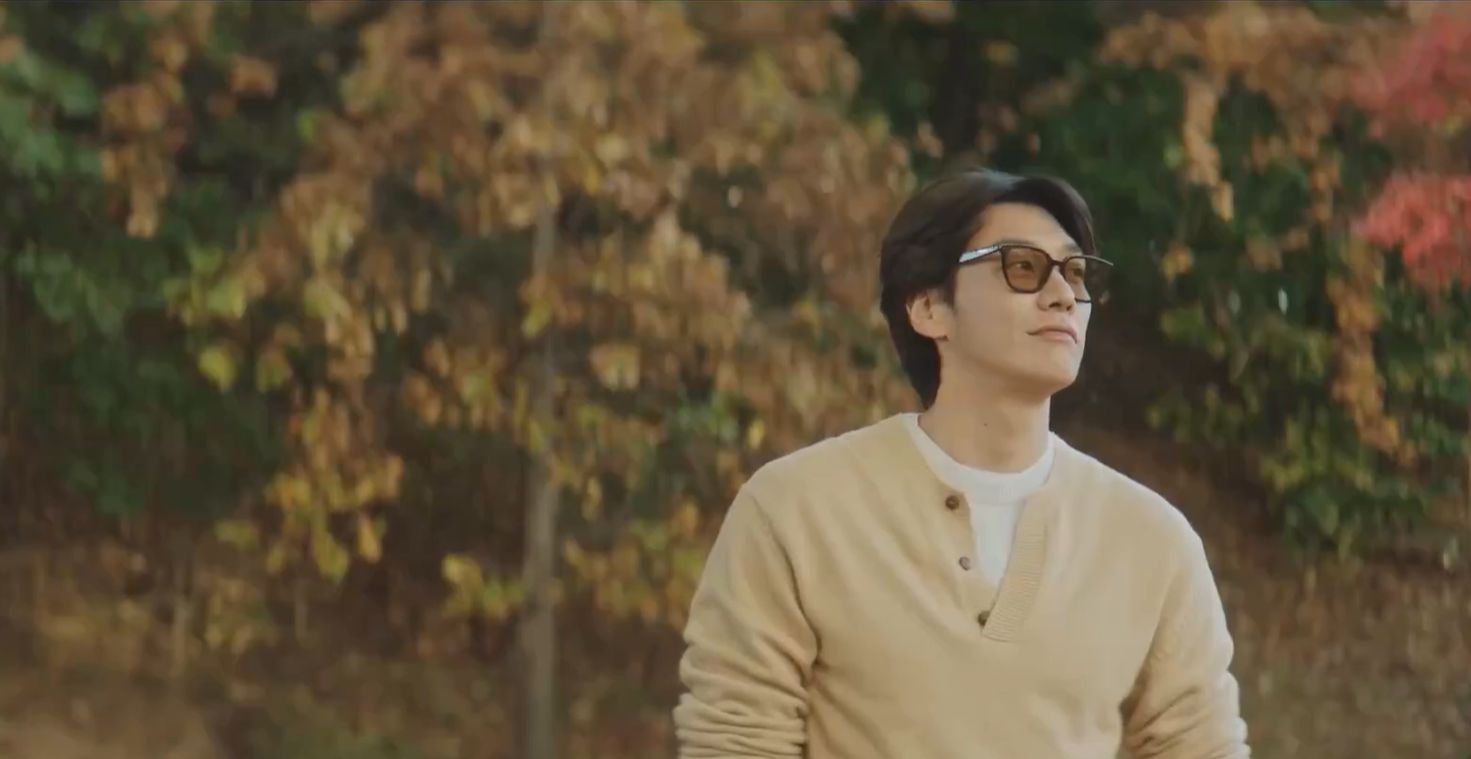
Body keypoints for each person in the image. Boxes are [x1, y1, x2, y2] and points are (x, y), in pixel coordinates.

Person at [672, 168, 1250, 758]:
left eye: (1075, 273)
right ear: (929, 308)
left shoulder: (1151, 542)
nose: (1062, 295)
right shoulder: (796, 511)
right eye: (1022, 267)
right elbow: (735, 742)